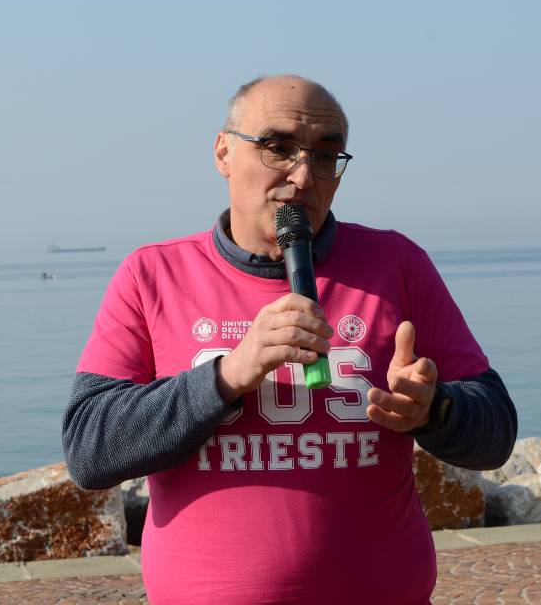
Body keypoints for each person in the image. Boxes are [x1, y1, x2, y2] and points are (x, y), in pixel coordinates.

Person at [62, 75, 517, 605]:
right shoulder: (153, 274)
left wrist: (434, 411)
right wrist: (228, 375)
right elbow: (90, 449)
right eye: (278, 148)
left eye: (325, 156)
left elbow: (496, 434)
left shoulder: (397, 264)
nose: (303, 177)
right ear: (223, 152)